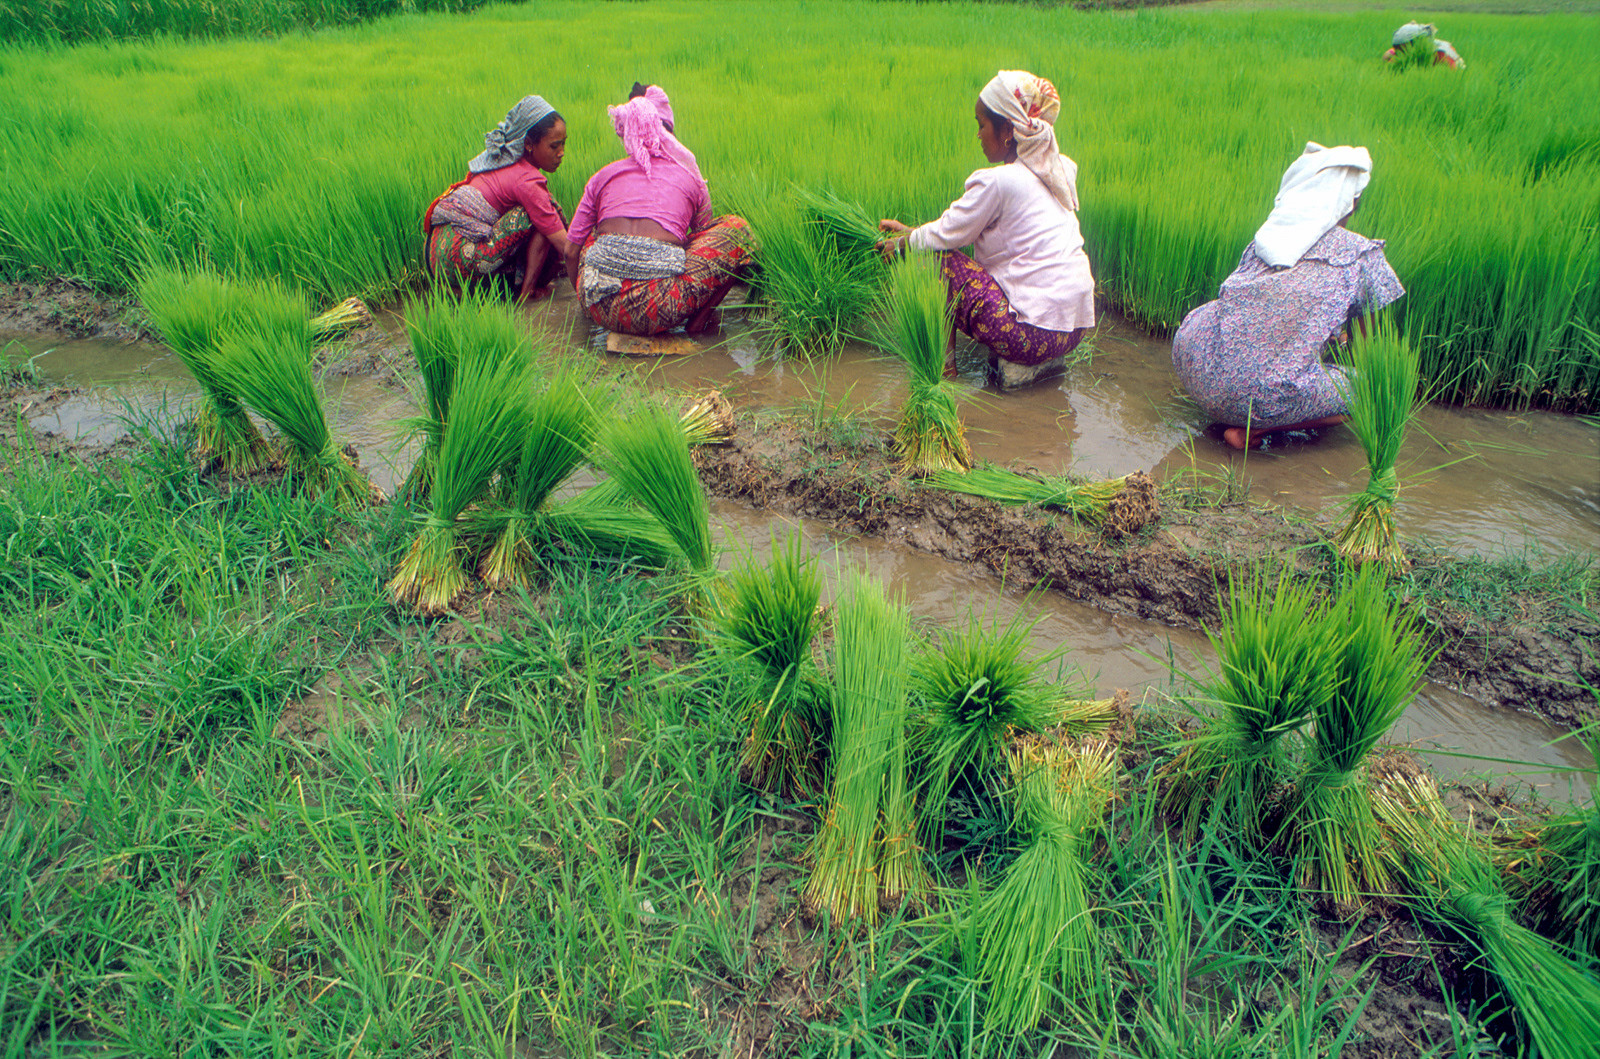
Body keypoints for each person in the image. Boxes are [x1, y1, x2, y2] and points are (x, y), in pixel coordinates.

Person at [1170, 142, 1405, 451]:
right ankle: (1253, 431)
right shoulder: (1361, 254)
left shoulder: (1267, 237)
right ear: (1351, 202)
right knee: (1374, 388)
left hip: (1195, 365)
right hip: (1255, 397)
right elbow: (1368, 353)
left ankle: (1238, 409)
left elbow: (1247, 312)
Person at [877, 70, 1095, 389]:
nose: (978, 135)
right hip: (1074, 330)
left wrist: (903, 244)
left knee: (938, 259)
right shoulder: (1055, 169)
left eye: (982, 125)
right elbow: (956, 230)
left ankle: (944, 371)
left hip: (1031, 338)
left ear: (1008, 130)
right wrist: (913, 232)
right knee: (933, 245)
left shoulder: (998, 182)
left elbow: (947, 236)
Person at [565, 83, 753, 337]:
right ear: (669, 133)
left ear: (628, 133)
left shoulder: (602, 176)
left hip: (601, 305)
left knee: (589, 235)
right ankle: (699, 323)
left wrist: (584, 301)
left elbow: (570, 250)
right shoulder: (690, 177)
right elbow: (700, 239)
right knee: (737, 230)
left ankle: (590, 309)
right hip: (657, 308)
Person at [423, 95, 573, 304]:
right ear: (528, 144)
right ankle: (527, 292)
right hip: (456, 257)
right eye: (554, 146)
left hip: (433, 257)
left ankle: (475, 293)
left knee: (539, 215)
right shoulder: (528, 180)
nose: (561, 153)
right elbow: (566, 246)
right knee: (547, 212)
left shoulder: (499, 160)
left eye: (564, 144)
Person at [1384, 22, 1466, 69]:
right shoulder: (1402, 53)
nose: (1399, 53)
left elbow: (1451, 76)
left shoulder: (1440, 54)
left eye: (1403, 49)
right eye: (1397, 48)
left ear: (1417, 42)